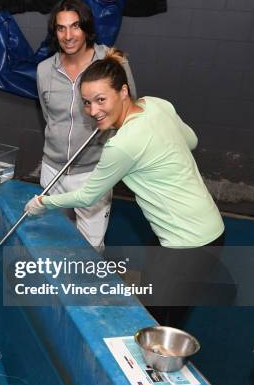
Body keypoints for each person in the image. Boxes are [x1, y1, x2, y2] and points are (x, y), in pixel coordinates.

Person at [26, 49, 227, 327]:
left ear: (123, 91)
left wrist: (43, 202)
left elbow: (88, 196)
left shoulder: (122, 144)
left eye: (100, 100)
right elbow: (191, 140)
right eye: (86, 103)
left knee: (150, 324)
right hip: (211, 230)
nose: (93, 110)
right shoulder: (156, 104)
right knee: (166, 317)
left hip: (186, 245)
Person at [36, 0, 137, 251]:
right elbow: (49, 117)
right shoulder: (44, 70)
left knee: (90, 247)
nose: (68, 35)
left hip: (93, 173)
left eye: (75, 26)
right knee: (54, 240)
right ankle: (59, 288)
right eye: (61, 28)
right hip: (52, 170)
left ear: (87, 28)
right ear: (54, 32)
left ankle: (86, 289)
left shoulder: (112, 62)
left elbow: (129, 114)